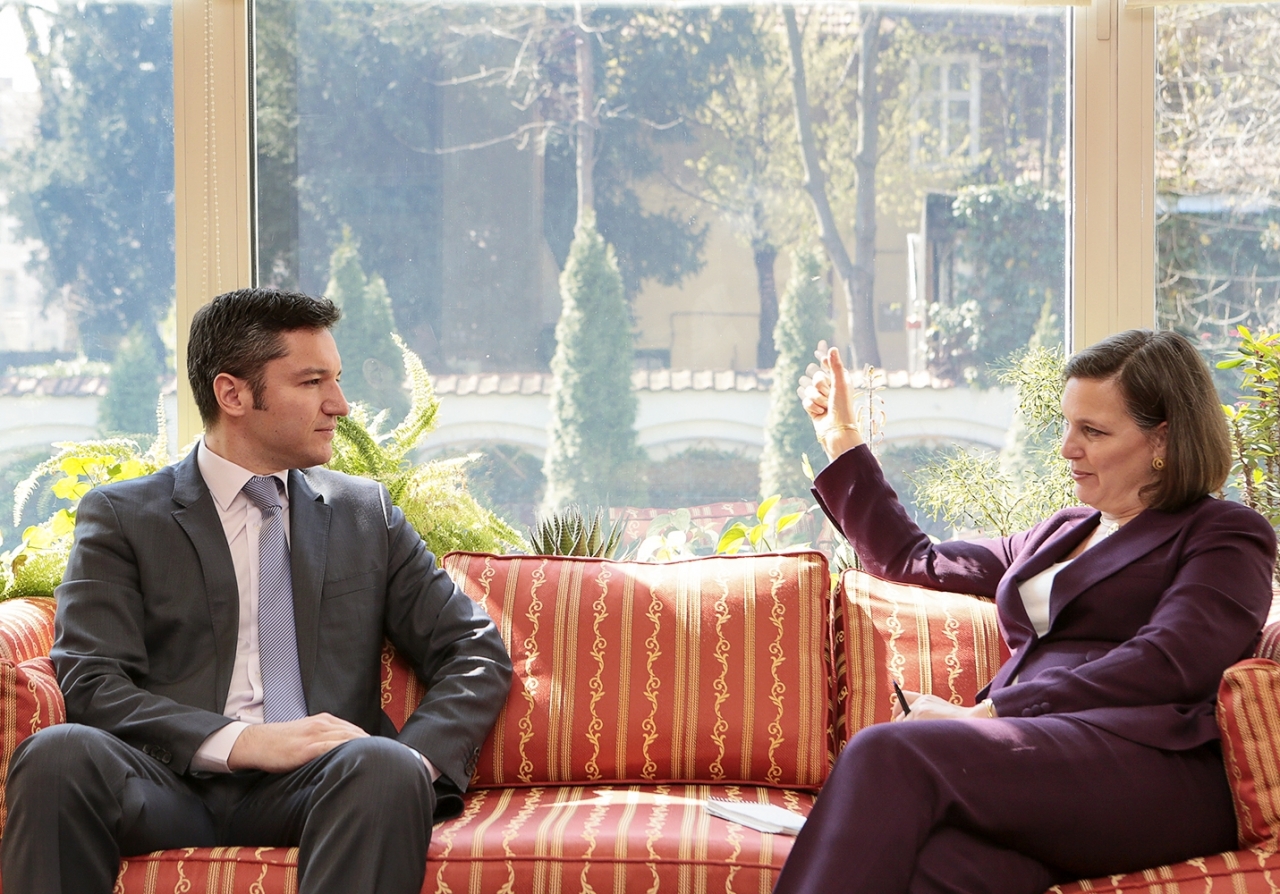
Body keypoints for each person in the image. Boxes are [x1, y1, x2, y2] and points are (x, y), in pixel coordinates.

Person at [1, 288, 513, 894]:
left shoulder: (364, 514)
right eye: (312, 382)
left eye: (337, 380)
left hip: (320, 783)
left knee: (385, 764)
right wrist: (245, 742)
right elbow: (92, 680)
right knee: (57, 754)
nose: (340, 404)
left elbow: (473, 650)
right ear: (233, 394)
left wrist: (414, 764)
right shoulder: (123, 516)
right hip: (166, 783)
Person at [772, 330, 1277, 894]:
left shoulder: (1226, 533)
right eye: (1068, 425)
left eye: (1093, 431)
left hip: (1153, 769)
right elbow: (914, 561)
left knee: (885, 751)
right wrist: (841, 438)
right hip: (1041, 769)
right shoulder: (1062, 532)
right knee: (936, 870)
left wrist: (991, 713)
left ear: (1162, 438)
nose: (1067, 448)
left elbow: (1170, 661)